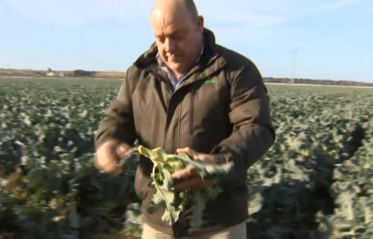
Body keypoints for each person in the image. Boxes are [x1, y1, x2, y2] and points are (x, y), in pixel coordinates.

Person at [94, 0, 275, 238]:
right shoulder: (140, 73)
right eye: (160, 38)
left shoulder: (235, 70)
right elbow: (119, 117)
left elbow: (256, 127)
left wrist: (218, 163)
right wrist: (109, 141)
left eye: (177, 35)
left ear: (199, 25)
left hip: (218, 224)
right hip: (158, 220)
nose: (168, 47)